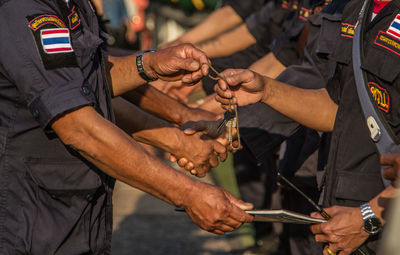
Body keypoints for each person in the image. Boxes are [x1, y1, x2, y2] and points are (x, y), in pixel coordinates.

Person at [0, 0, 254, 253]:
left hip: (69, 207)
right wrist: (187, 192)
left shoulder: (70, 4)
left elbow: (91, 79)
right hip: (30, 214)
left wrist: (150, 64)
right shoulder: (26, 9)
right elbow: (77, 124)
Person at [213, 0, 400, 253]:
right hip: (341, 216)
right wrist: (266, 90)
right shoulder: (357, 8)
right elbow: (336, 107)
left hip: (382, 221)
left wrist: (368, 217)